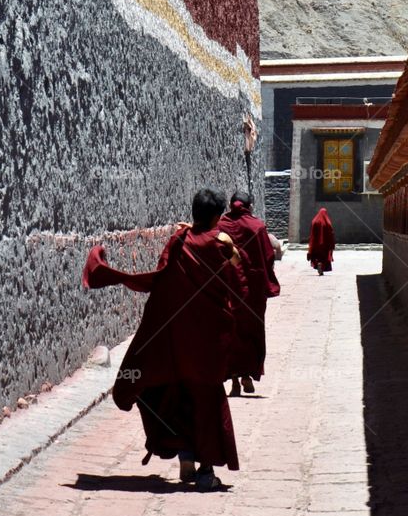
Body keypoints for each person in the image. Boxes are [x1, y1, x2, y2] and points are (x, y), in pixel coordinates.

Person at [82, 188, 247, 491]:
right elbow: (237, 286)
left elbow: (161, 282)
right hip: (208, 342)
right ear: (215, 217)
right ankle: (206, 472)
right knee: (208, 402)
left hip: (177, 341)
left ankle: (186, 452)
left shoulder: (178, 241)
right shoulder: (222, 246)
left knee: (177, 395)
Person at [219, 190, 280, 396]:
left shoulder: (220, 227)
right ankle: (246, 375)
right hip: (252, 294)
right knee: (251, 332)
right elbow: (268, 257)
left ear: (230, 205)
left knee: (230, 332)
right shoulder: (257, 227)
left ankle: (234, 379)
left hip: (227, 291)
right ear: (249, 205)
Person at [307, 206, 335, 275]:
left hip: (315, 243)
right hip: (325, 244)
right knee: (324, 257)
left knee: (317, 256)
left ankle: (318, 264)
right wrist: (332, 243)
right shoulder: (327, 222)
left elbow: (312, 232)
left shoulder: (314, 221)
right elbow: (331, 233)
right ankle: (321, 266)